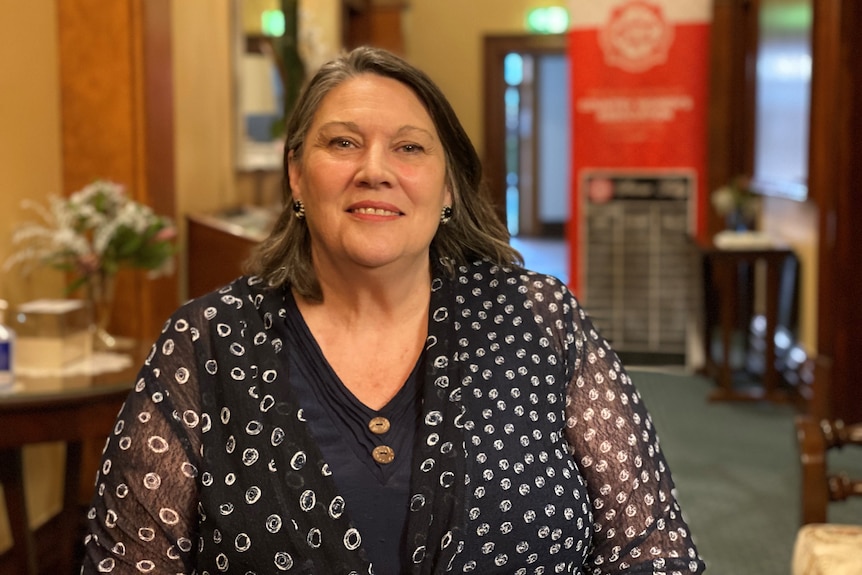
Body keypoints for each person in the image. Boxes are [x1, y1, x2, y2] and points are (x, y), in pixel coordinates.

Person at [82, 46, 705, 574]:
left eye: (409, 148)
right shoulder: (207, 341)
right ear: (297, 176)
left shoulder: (540, 319)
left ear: (448, 187)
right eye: (343, 143)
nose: (374, 171)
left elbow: (650, 545)